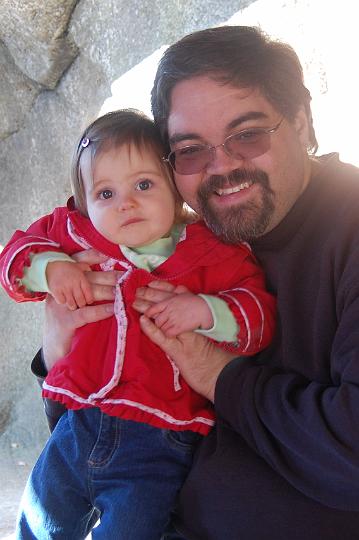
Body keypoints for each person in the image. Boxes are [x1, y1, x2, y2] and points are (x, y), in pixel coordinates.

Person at [0, 108, 276, 539]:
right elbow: (14, 255)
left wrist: (205, 311)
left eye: (143, 185)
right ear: (85, 203)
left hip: (161, 439)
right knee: (37, 524)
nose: (125, 202)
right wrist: (52, 269)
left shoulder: (211, 253)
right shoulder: (75, 236)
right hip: (76, 424)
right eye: (105, 194)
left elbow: (259, 317)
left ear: (176, 190)